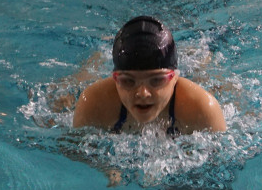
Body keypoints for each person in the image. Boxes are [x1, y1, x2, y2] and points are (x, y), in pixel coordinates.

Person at [72, 16, 227, 135]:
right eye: (128, 81)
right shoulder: (94, 104)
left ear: (174, 77)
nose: (142, 93)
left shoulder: (202, 109)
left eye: (157, 80)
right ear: (115, 79)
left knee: (201, 70)